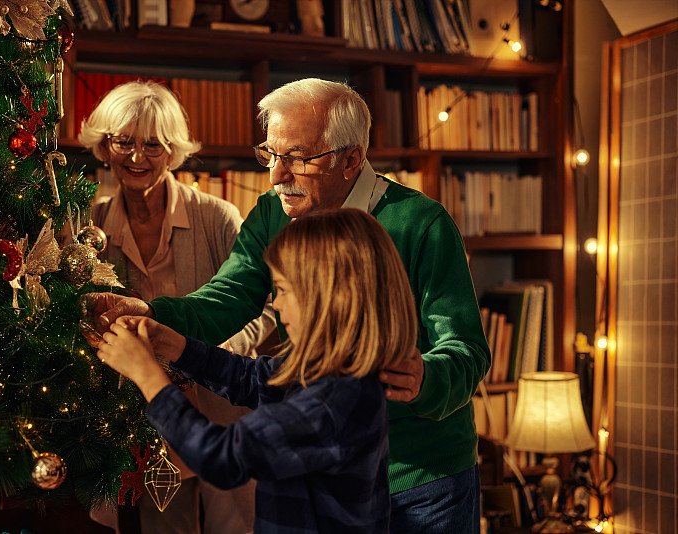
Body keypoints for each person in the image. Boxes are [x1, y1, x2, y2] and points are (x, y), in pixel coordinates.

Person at [83, 78, 491, 533]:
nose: (276, 174)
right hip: (319, 474)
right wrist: (156, 318)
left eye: (296, 157)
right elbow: (231, 301)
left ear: (351, 157)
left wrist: (425, 377)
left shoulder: (421, 225)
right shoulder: (274, 211)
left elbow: (466, 349)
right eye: (271, 154)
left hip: (424, 477)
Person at [96, 208, 419, 533]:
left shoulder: (333, 400)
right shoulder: (331, 372)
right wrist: (171, 343)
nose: (276, 305)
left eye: (282, 289)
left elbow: (221, 457)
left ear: (328, 297)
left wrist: (147, 376)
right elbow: (250, 378)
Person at [77, 79, 275, 534]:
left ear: (174, 151)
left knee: (238, 527)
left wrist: (210, 355)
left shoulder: (218, 216)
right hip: (143, 417)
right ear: (104, 147)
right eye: (123, 142)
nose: (136, 157)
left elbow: (265, 306)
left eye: (153, 144)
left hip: (225, 411)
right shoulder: (90, 227)